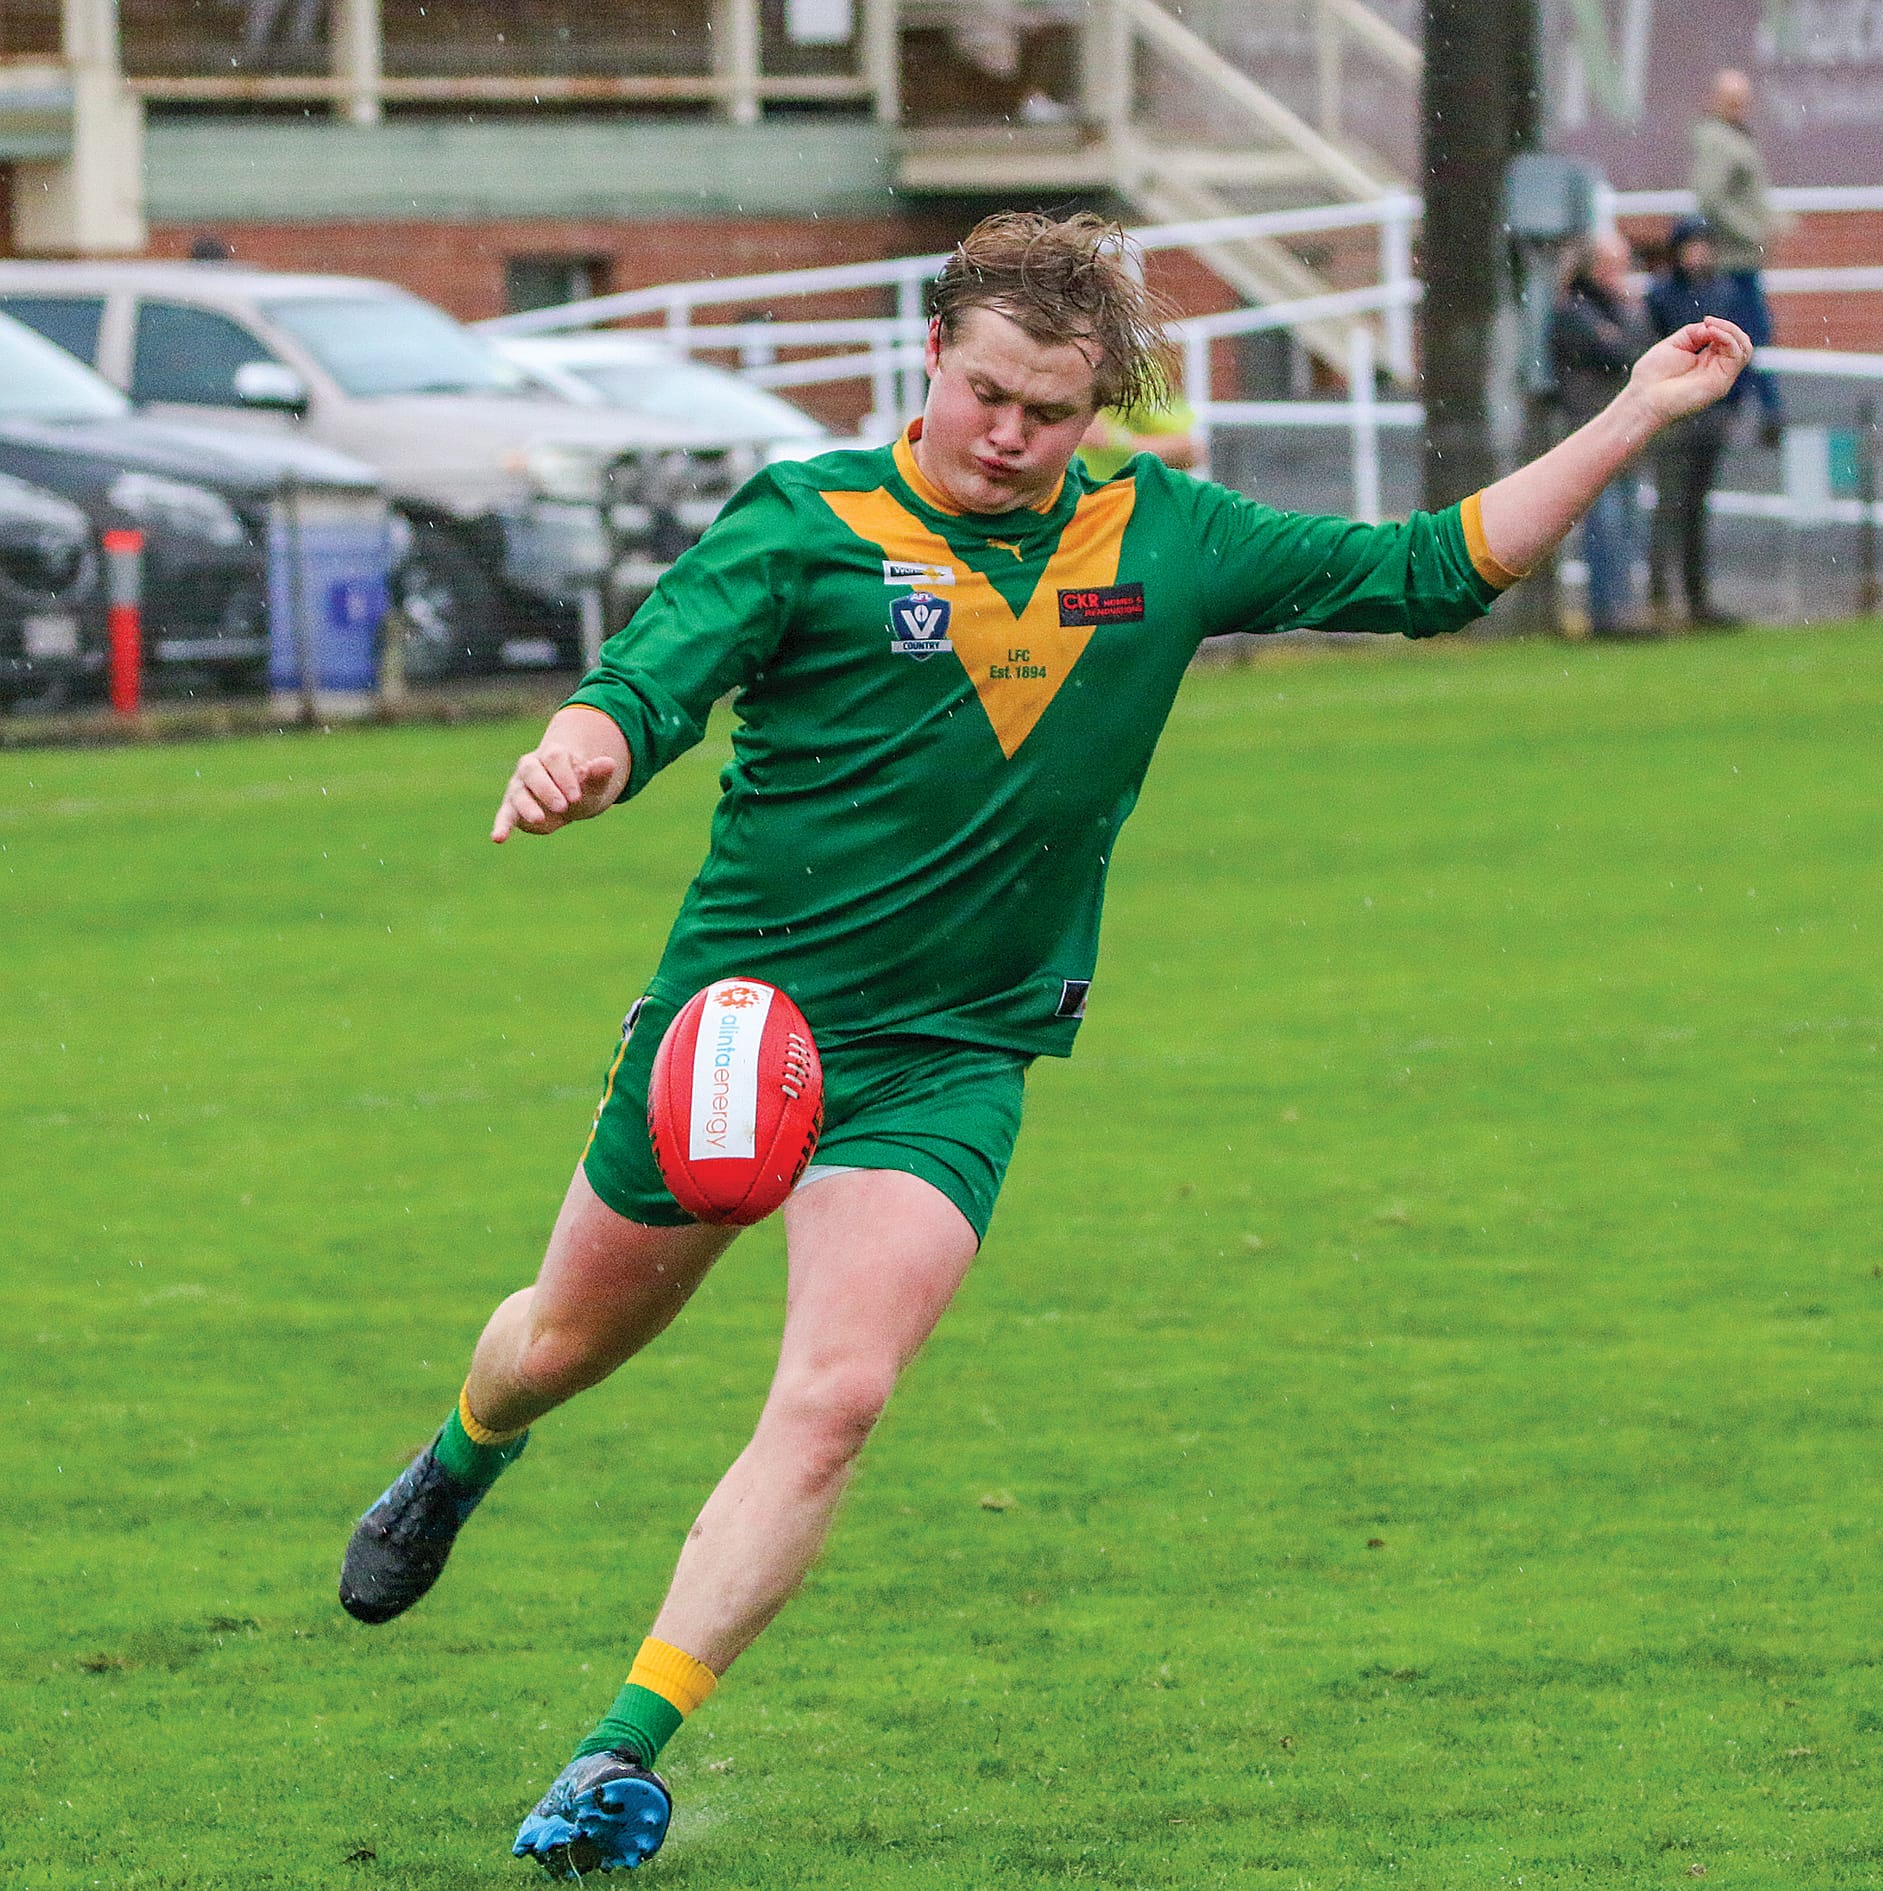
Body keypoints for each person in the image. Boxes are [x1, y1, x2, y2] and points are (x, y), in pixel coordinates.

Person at [338, 210, 1750, 1877]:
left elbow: (1432, 574)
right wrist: (579, 750)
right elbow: (652, 675)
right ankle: (463, 1451)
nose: (1010, 433)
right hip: (744, 1029)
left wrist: (1635, 408)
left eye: (1053, 410)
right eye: (989, 391)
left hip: (954, 1053)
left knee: (840, 1394)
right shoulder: (809, 524)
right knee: (560, 1346)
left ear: (1103, 410)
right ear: (931, 355)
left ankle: (620, 1749)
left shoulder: (1171, 533)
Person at [1646, 216, 1753, 630]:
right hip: (1676, 416)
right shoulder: (1664, 295)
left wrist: (1733, 404)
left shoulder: (1722, 292)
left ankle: (1695, 599)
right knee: (1670, 506)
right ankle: (1660, 598)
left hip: (1710, 414)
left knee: (1695, 509)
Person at [1548, 231, 1652, 636]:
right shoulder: (1575, 312)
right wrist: (1623, 335)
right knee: (1605, 531)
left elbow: (1638, 347)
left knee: (1629, 531)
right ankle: (1608, 617)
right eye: (1614, 265)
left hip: (1625, 439)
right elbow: (1623, 353)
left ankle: (1625, 613)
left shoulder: (1613, 311)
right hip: (1594, 438)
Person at [1692, 67, 1789, 447]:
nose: (1739, 108)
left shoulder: (1729, 138)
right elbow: (1711, 200)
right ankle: (1764, 410)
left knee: (1745, 334)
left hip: (1741, 257)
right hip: (1734, 260)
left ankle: (1737, 410)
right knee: (1749, 334)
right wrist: (1752, 230)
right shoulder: (1720, 142)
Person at [1076, 391, 1203, 480]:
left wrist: (1116, 440)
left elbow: (1191, 449)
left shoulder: (1135, 377)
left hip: (1126, 506)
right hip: (1071, 508)